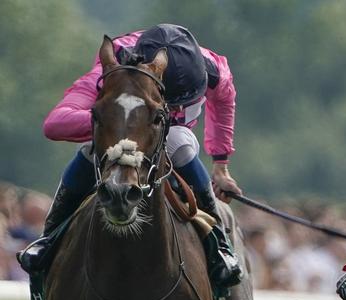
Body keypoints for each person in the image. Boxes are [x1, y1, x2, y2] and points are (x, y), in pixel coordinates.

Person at [16, 24, 243, 282]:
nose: (178, 107)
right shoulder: (115, 63)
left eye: (183, 101)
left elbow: (224, 101)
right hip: (125, 133)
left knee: (179, 140)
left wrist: (221, 166)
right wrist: (117, 121)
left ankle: (220, 245)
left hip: (165, 136)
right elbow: (55, 124)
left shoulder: (214, 70)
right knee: (91, 147)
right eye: (173, 101)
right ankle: (49, 238)